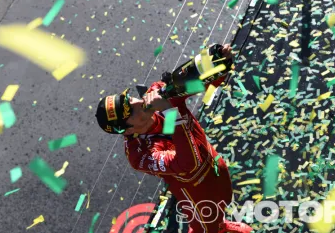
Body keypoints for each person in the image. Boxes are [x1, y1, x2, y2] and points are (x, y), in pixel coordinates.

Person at [95, 44, 252, 233]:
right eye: (130, 110)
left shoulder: (157, 94)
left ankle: (223, 225)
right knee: (207, 228)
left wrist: (218, 63)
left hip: (215, 165)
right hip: (197, 195)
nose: (138, 102)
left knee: (225, 201)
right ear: (126, 130)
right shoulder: (140, 155)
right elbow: (188, 163)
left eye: (130, 99)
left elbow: (199, 84)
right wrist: (170, 109)